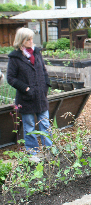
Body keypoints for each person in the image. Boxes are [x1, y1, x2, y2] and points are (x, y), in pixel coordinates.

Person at [7, 27, 52, 158]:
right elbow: (10, 78)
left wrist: (46, 85)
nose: (31, 41)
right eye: (28, 39)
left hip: (40, 95)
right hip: (26, 97)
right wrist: (25, 88)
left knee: (45, 123)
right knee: (30, 125)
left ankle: (49, 149)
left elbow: (43, 70)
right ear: (21, 41)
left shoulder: (36, 53)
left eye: (32, 38)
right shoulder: (15, 57)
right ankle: (33, 152)